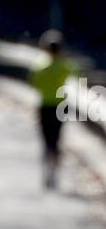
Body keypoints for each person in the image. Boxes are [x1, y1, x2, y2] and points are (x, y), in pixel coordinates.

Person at [29, 29, 75, 190]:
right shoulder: (66, 66)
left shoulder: (40, 66)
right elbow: (78, 77)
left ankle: (46, 170)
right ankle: (56, 171)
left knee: (46, 140)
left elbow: (35, 85)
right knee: (57, 139)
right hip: (61, 106)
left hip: (45, 106)